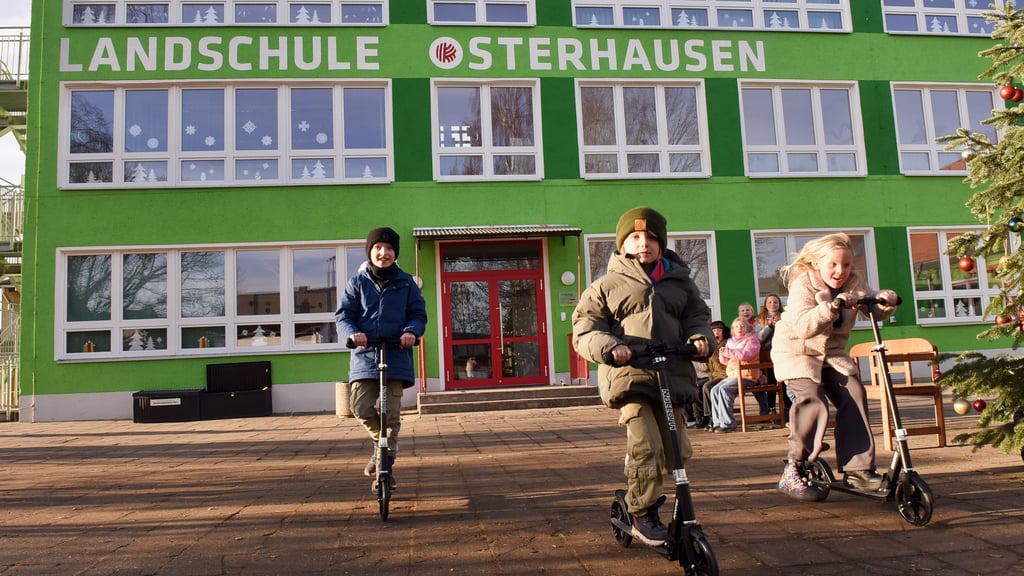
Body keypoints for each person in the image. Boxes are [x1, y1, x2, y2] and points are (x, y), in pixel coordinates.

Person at [572, 206, 714, 546]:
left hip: (671, 374)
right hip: (631, 376)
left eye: (651, 238)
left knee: (677, 450)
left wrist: (700, 339)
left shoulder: (681, 282)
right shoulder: (606, 285)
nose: (643, 243)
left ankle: (662, 498)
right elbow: (585, 328)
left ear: (661, 244)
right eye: (635, 237)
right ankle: (641, 509)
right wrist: (609, 346)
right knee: (645, 444)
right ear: (622, 244)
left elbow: (698, 316)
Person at [770, 232, 898, 501]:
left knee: (855, 394)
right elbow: (804, 327)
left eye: (847, 265)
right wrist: (833, 306)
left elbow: (871, 302)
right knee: (812, 400)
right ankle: (793, 468)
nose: (841, 271)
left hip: (832, 354)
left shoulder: (853, 282)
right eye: (833, 265)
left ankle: (859, 469)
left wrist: (884, 300)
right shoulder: (803, 285)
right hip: (797, 352)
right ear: (817, 264)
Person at [336, 227, 428, 492]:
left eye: (388, 249)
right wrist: (353, 333)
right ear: (370, 251)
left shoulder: (406, 282)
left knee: (391, 414)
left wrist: (411, 331)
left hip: (396, 353)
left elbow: (418, 314)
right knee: (361, 407)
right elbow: (344, 315)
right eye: (378, 248)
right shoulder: (357, 282)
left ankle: (385, 464)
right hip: (365, 355)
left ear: (395, 253)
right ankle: (381, 446)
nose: (383, 253)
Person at [708, 316, 761, 433]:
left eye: (742, 326)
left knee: (724, 389)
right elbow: (727, 361)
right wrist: (722, 355)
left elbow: (746, 355)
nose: (739, 328)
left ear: (747, 328)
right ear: (733, 329)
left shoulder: (752, 340)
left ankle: (728, 423)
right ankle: (718, 422)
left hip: (747, 376)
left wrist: (728, 352)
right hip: (733, 374)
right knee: (714, 390)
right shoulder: (731, 342)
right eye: (736, 326)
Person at [754, 294, 784, 415]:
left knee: (784, 382)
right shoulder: (759, 319)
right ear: (765, 305)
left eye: (775, 302)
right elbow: (758, 339)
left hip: (782, 354)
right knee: (771, 382)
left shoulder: (785, 317)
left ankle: (787, 409)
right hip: (766, 355)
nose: (772, 304)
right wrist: (769, 326)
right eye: (770, 302)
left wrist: (780, 325)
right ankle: (771, 408)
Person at [696, 320, 729, 430]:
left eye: (719, 330)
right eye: (714, 330)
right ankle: (700, 418)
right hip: (713, 375)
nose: (716, 333)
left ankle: (711, 417)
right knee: (696, 386)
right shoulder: (711, 345)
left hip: (724, 375)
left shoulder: (727, 344)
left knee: (707, 387)